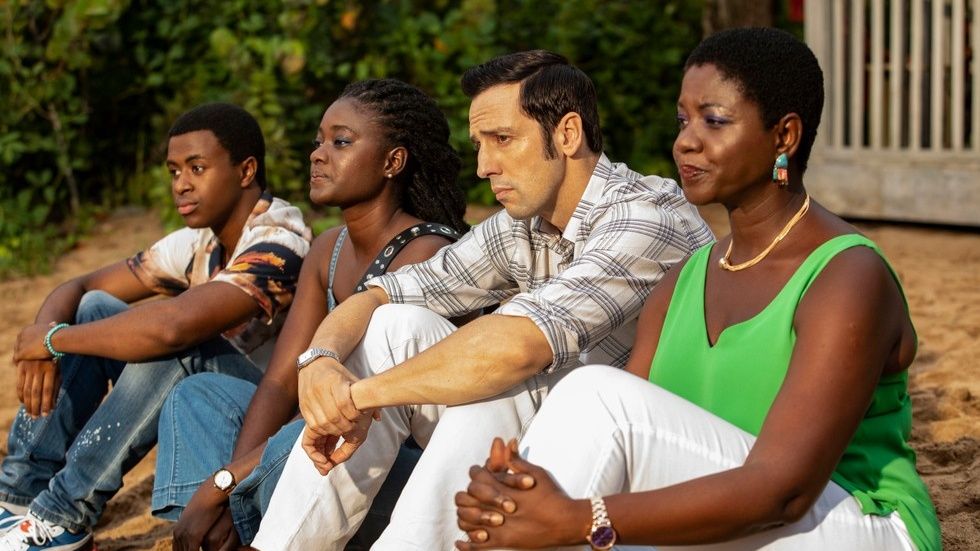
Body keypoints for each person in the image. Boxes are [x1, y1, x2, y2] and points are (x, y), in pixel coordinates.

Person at [454, 27, 941, 551]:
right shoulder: (681, 282)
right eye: (683, 120)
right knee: (526, 488)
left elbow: (785, 492)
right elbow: (637, 452)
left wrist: (574, 518)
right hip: (731, 518)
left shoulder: (848, 276)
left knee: (591, 401)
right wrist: (516, 496)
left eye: (715, 120)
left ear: (785, 137)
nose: (686, 140)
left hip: (856, 524)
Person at [249, 50, 714, 550]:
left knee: (500, 385)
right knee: (393, 326)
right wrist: (320, 362)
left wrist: (356, 397)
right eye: (478, 144)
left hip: (643, 483)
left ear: (568, 134)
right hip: (537, 454)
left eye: (503, 140)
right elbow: (385, 291)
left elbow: (519, 347)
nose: (483, 166)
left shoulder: (647, 218)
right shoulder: (525, 225)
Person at [150, 78, 470, 551]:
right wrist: (227, 491)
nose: (319, 154)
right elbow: (281, 381)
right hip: (320, 449)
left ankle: (236, 525)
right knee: (200, 395)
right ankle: (218, 533)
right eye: (319, 141)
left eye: (341, 142)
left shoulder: (424, 253)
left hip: (389, 471)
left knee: (324, 422)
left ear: (392, 162)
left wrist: (224, 481)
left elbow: (368, 412)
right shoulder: (328, 249)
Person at [0, 103, 312, 551]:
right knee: (93, 309)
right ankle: (18, 495)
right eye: (173, 171)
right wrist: (46, 337)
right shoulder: (201, 241)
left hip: (267, 423)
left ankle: (65, 513)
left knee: (178, 342)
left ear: (246, 171)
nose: (181, 184)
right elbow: (82, 284)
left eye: (197, 168)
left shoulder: (281, 239)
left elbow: (174, 328)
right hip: (209, 403)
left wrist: (50, 340)